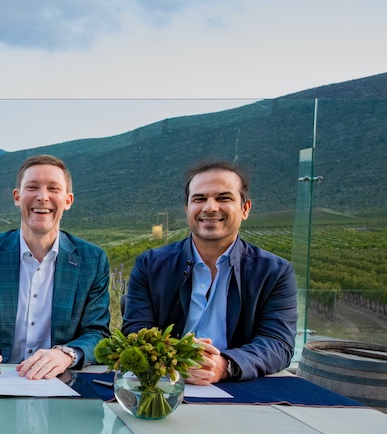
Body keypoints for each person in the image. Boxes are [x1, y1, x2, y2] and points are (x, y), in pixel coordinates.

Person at [122, 160, 297, 384]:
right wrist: (178, 356)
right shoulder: (150, 265)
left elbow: (278, 343)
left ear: (245, 209)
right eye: (199, 199)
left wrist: (225, 365)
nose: (210, 207)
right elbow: (136, 331)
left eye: (223, 198)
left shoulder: (274, 272)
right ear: (187, 208)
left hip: (237, 384)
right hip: (164, 382)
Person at [0, 154, 110, 380]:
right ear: (17, 196)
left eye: (53, 189)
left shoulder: (92, 260)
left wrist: (66, 355)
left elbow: (97, 333)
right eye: (32, 187)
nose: (42, 197)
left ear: (68, 200)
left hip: (61, 384)